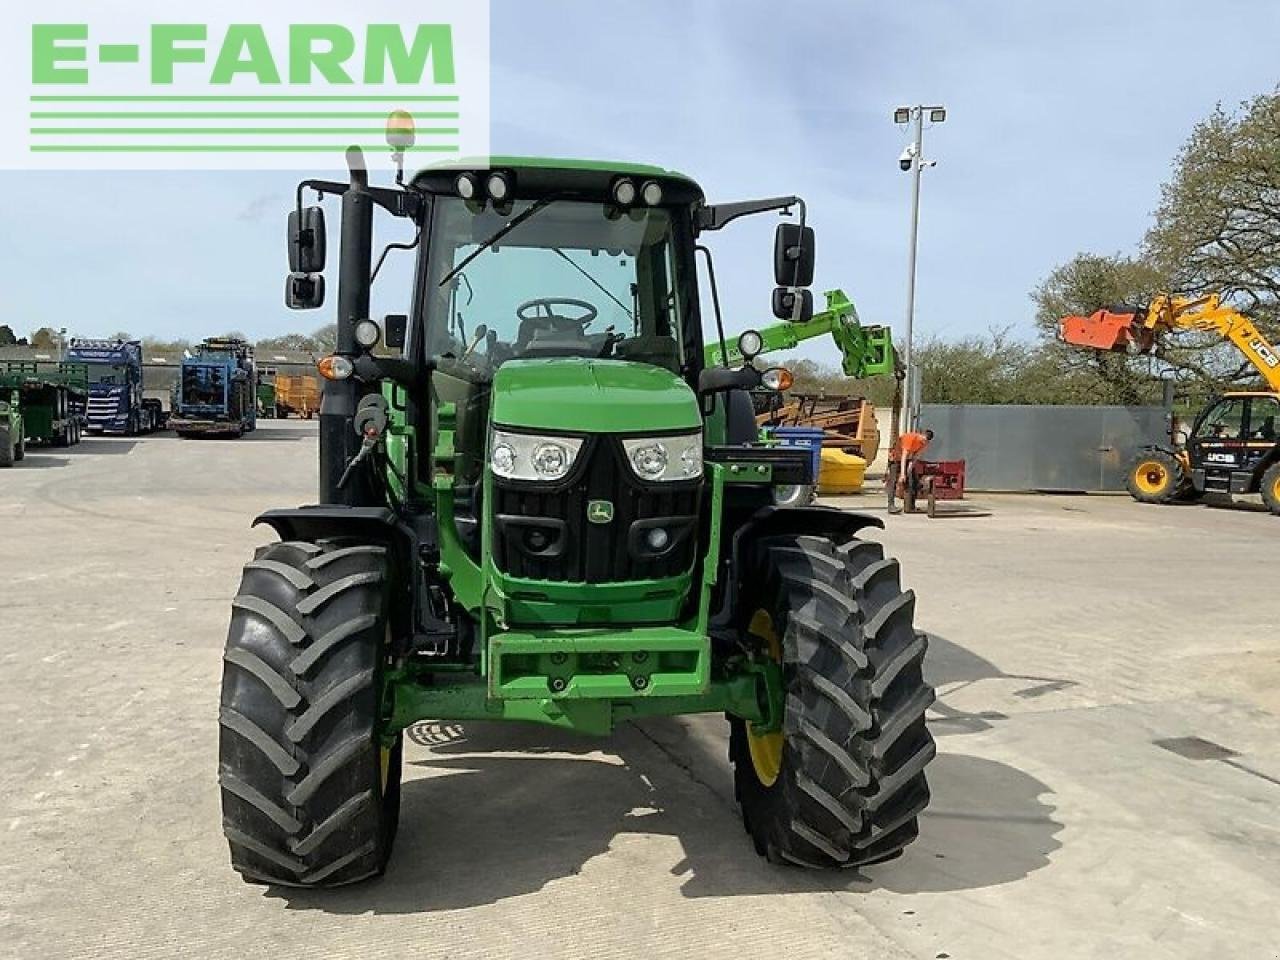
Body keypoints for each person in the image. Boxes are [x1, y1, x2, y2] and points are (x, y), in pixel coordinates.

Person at [887, 428, 933, 514]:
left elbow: (915, 457)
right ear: (920, 435)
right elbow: (904, 456)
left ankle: (911, 506)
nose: (923, 442)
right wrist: (902, 474)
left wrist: (908, 471)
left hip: (907, 459)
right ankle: (891, 506)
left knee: (913, 482)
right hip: (895, 458)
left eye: (926, 441)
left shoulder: (925, 443)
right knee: (893, 481)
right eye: (923, 440)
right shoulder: (910, 438)